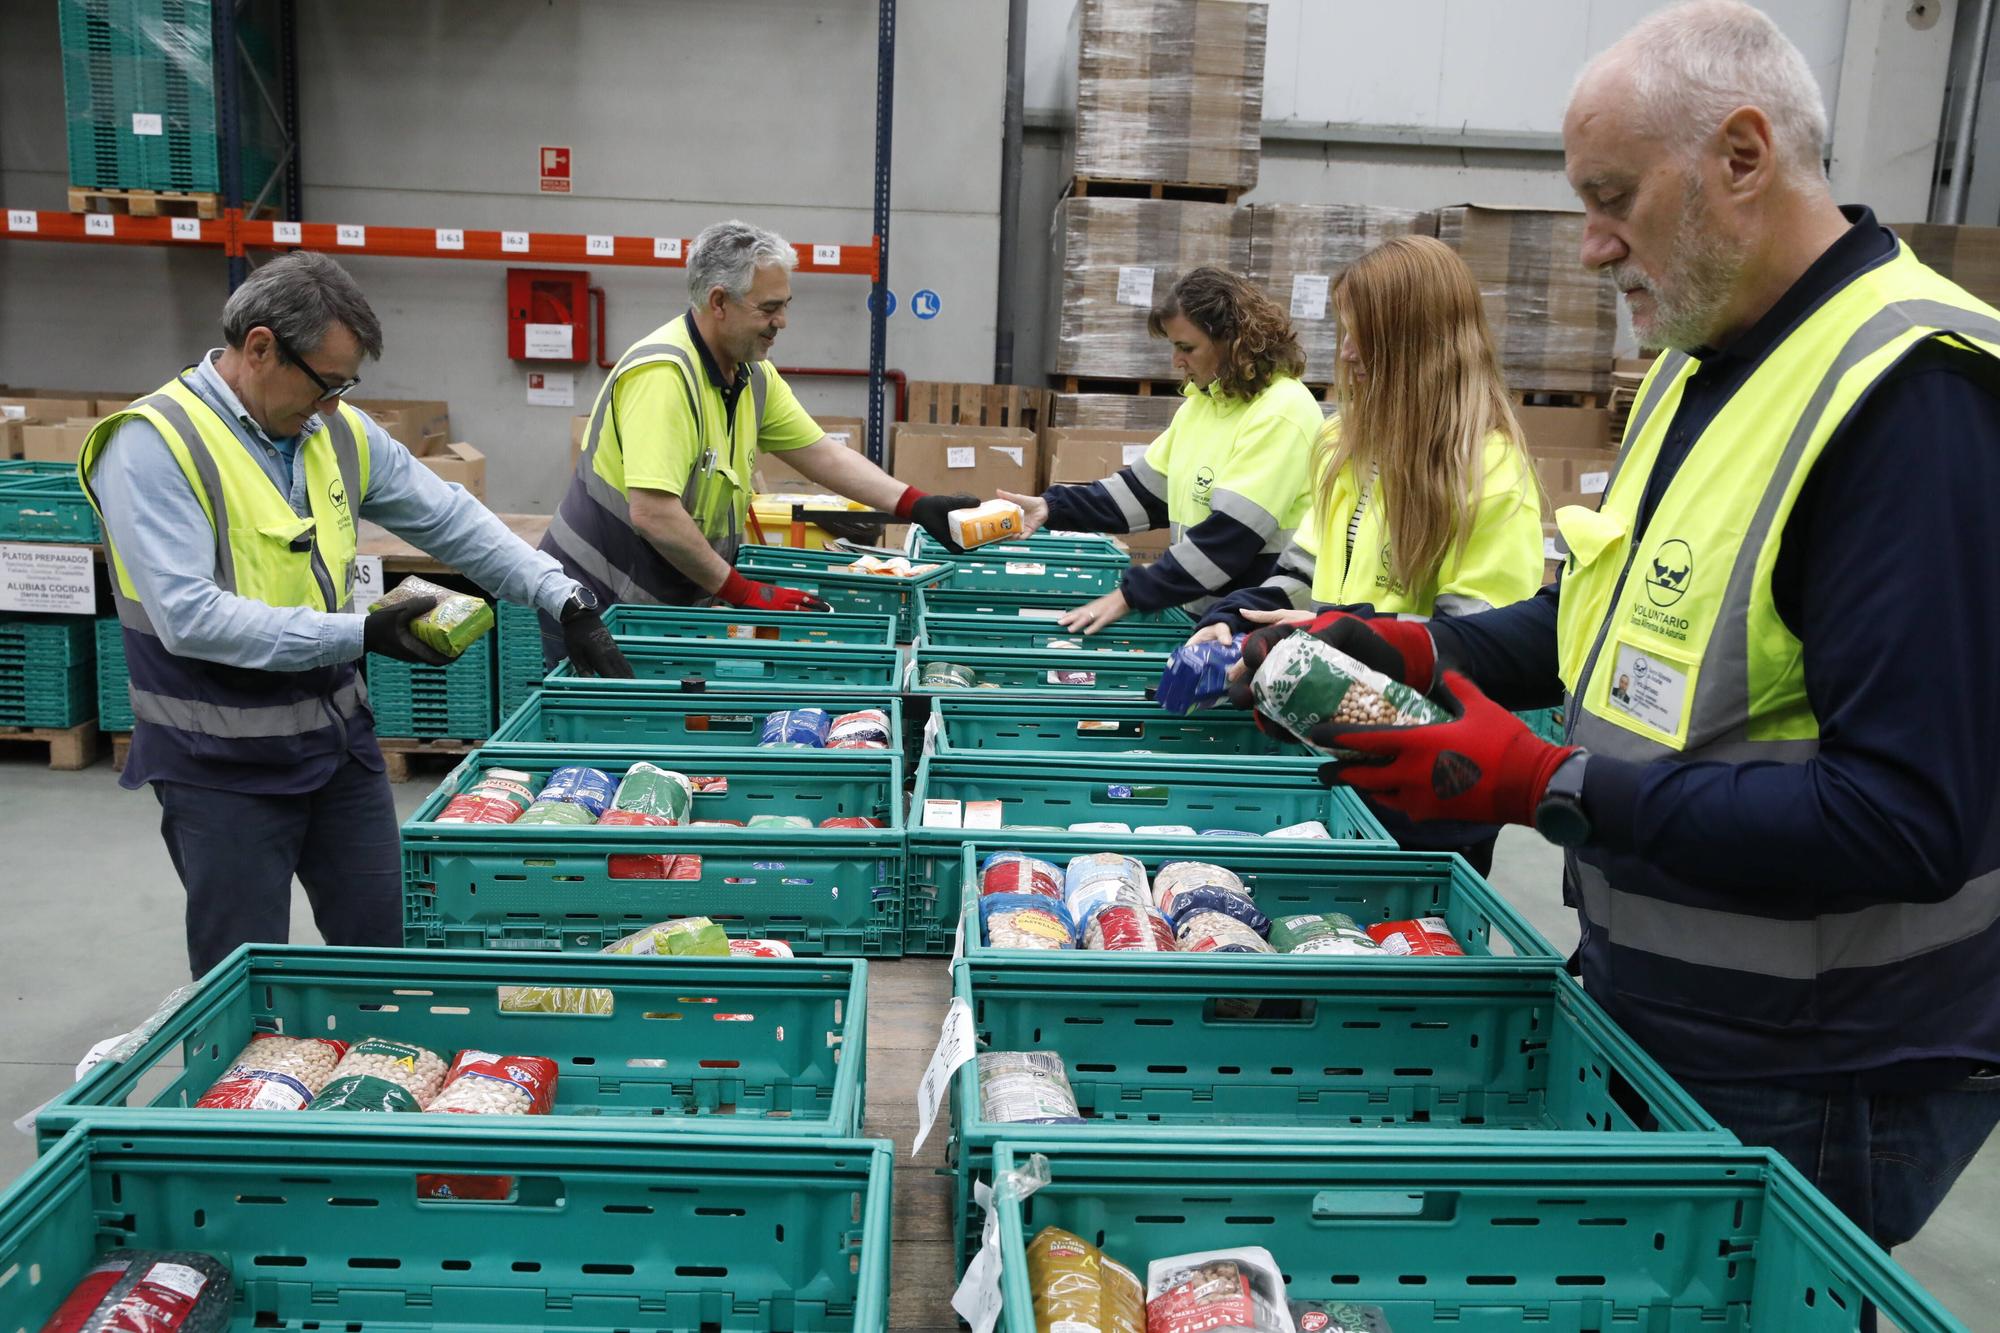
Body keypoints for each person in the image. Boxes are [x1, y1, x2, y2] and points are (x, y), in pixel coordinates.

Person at [1243, 0, 2000, 1266]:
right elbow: (1610, 631)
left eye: (1610, 198)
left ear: (1741, 156)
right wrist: (1415, 650)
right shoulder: (1710, 364)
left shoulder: (1907, 401)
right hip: (1686, 1004)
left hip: (1821, 1058)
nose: (1588, 248)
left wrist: (1550, 784)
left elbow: (1903, 818)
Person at [79, 251, 630, 979]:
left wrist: (562, 595)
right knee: (246, 978)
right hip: (220, 769)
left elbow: (449, 517)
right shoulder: (155, 446)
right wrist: (360, 632)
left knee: (385, 955)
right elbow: (190, 616)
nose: (336, 404)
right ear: (260, 347)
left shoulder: (330, 430)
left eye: (348, 385)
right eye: (327, 383)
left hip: (337, 750)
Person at [1195, 235, 1544, 873]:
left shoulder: (1487, 469)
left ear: (1423, 345)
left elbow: (1479, 645)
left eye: (1367, 337)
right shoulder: (1346, 443)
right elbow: (1303, 572)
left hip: (1430, 779)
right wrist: (1235, 615)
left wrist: (1338, 635)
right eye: (1346, 333)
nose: (1348, 354)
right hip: (1338, 742)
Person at [541, 219, 974, 657]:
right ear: (719, 302)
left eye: (785, 305)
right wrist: (742, 592)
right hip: (591, 608)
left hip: (658, 602)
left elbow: (820, 453)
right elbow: (653, 513)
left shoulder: (750, 373)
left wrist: (916, 504)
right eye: (768, 309)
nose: (781, 322)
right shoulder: (665, 376)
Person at [996, 266, 1322, 632]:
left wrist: (1130, 595)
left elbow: (1228, 540)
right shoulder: (1202, 406)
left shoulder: (1283, 412)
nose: (1176, 361)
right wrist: (1051, 507)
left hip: (1254, 623)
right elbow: (1141, 495)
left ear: (1234, 340)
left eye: (1187, 347)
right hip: (1207, 617)